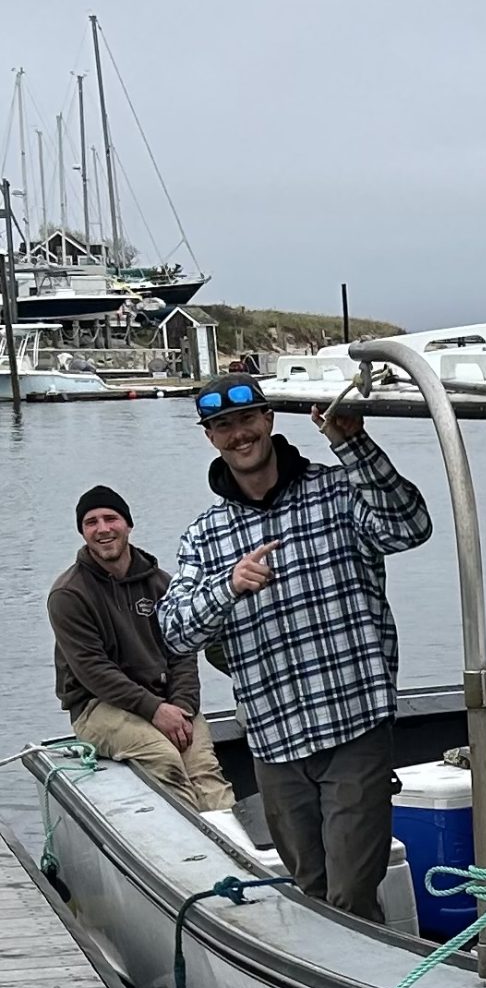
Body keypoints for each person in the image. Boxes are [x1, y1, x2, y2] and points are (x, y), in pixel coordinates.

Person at [159, 374, 434, 923]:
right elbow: (174, 631)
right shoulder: (206, 535)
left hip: (355, 722)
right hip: (273, 737)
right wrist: (230, 585)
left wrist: (353, 442)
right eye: (222, 426)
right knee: (313, 889)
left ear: (268, 420)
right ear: (210, 438)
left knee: (350, 893)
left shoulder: (338, 489)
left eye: (246, 420)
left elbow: (411, 527)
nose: (238, 435)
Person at [47, 484, 236, 813]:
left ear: (128, 525)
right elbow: (93, 671)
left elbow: (182, 652)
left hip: (166, 701)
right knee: (165, 759)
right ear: (82, 532)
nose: (103, 529)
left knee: (204, 768)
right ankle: (190, 854)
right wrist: (154, 710)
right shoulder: (68, 594)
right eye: (91, 522)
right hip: (97, 707)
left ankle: (242, 855)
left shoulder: (161, 582)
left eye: (111, 518)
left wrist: (183, 707)